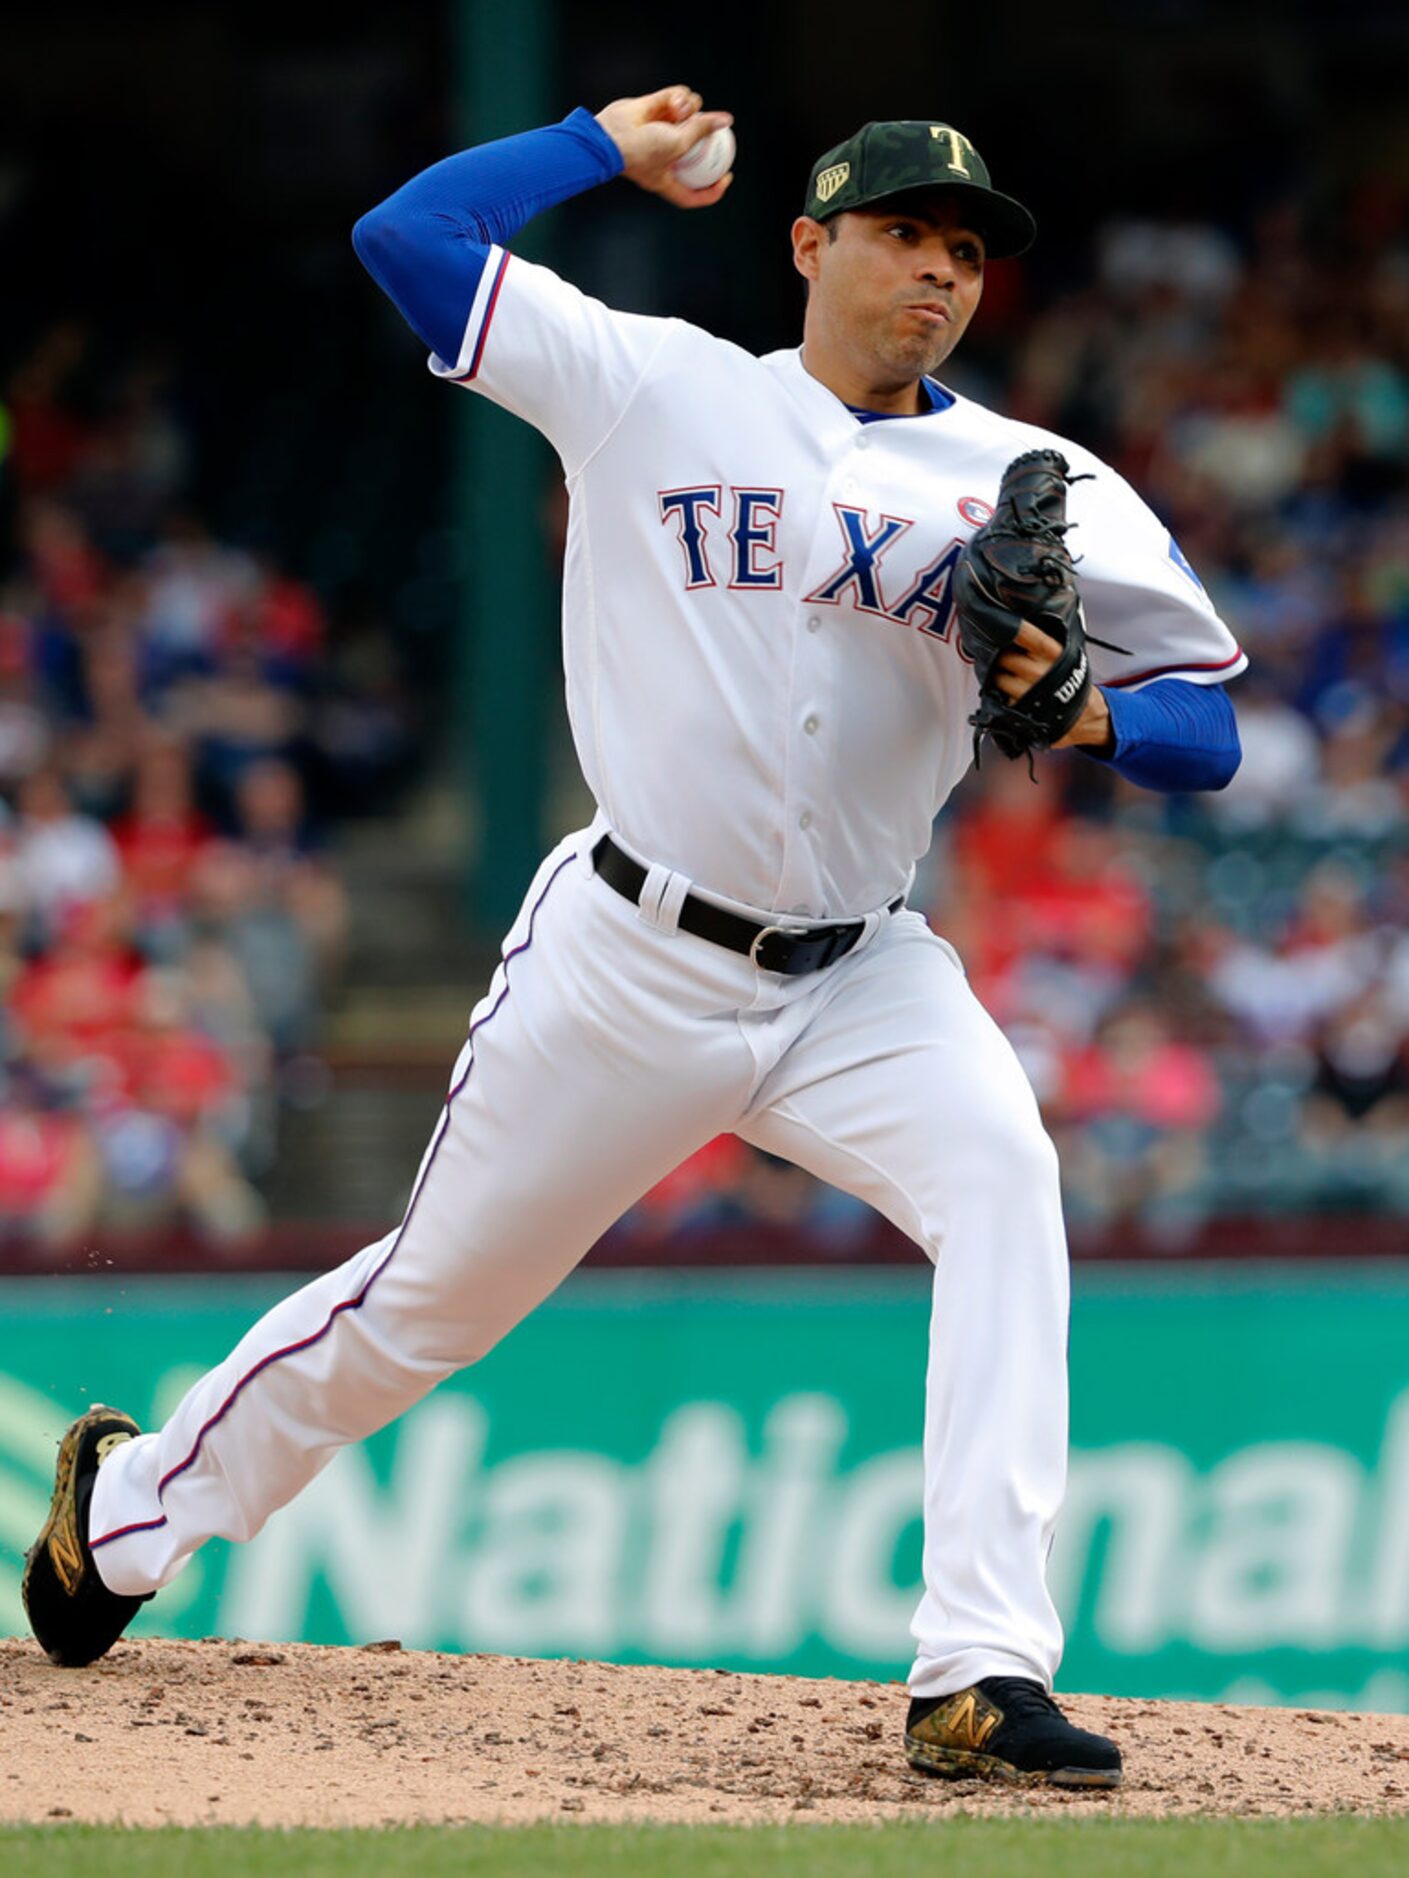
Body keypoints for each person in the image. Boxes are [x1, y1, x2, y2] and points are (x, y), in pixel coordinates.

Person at [25, 88, 1245, 1790]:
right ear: (809, 245)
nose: (939, 274)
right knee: (427, 1308)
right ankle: (138, 1503)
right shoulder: (650, 381)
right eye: (902, 233)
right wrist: (603, 143)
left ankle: (976, 1665)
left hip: (861, 974)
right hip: (628, 952)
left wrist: (1089, 712)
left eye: (965, 252)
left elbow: (1210, 729)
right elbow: (409, 243)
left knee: (1005, 1185)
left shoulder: (1028, 482)